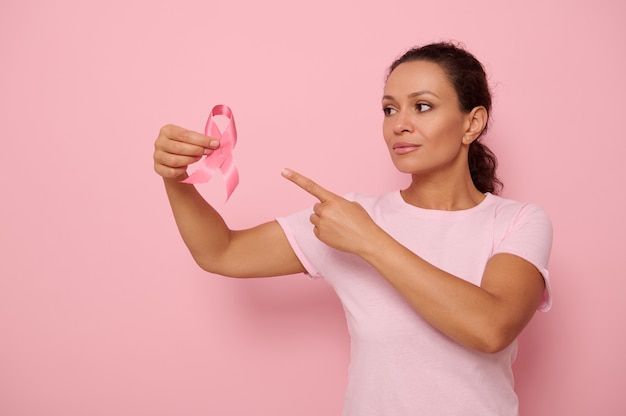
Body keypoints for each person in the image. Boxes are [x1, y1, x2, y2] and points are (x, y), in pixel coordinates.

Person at [153, 42, 553, 416]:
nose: (400, 125)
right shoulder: (347, 217)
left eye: (423, 106)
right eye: (389, 109)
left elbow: (490, 328)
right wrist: (176, 179)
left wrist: (369, 240)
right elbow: (221, 252)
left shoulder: (518, 221)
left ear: (472, 123)